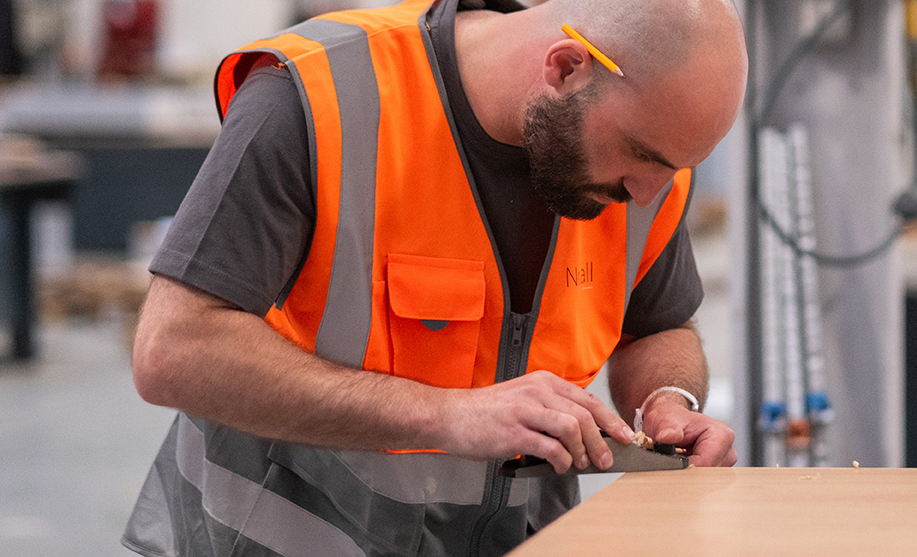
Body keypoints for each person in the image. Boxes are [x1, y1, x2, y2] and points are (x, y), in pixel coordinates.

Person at [121, 0, 747, 554]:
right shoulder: (319, 95)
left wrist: (667, 402)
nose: (647, 195)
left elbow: (658, 325)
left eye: (675, 167)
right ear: (564, 68)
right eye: (642, 155)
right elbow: (173, 350)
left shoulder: (649, 168)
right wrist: (445, 414)